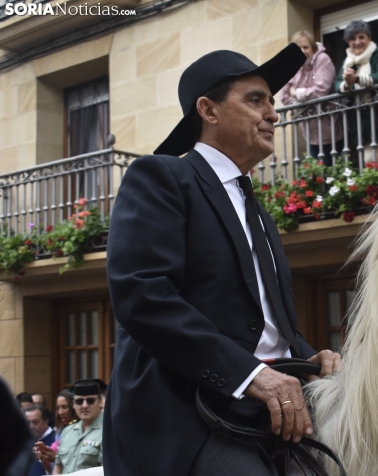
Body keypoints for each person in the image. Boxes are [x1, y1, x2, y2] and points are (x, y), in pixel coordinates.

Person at [104, 44, 341, 476]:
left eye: (271, 101)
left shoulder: (258, 208)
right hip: (188, 412)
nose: (273, 113)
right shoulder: (160, 176)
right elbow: (143, 296)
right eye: (255, 100)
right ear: (208, 111)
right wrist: (251, 376)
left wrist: (309, 356)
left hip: (270, 408)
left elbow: (264, 321)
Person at [334, 20, 378, 163]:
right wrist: (347, 83)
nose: (357, 42)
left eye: (361, 37)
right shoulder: (348, 62)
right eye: (352, 38)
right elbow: (337, 84)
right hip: (369, 124)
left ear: (369, 38)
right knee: (371, 162)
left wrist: (356, 79)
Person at [280, 31, 343, 165]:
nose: (302, 51)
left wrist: (297, 94)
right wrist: (300, 99)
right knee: (319, 174)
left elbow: (321, 90)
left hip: (330, 129)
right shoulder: (292, 66)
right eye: (298, 48)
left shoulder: (322, 59)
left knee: (333, 173)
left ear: (313, 48)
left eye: (306, 47)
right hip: (309, 132)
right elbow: (284, 96)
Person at [53, 379, 105, 474]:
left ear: (101, 402)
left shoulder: (108, 431)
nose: (84, 406)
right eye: (79, 401)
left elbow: (106, 470)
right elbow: (58, 468)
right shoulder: (68, 431)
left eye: (90, 400)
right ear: (73, 404)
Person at [23, 405, 55, 476]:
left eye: (36, 422)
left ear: (46, 422)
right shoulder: (24, 442)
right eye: (28, 423)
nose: (31, 427)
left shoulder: (56, 440)